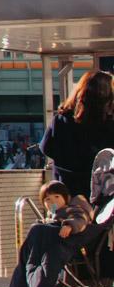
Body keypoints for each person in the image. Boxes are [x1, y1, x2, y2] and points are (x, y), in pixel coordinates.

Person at [10, 193, 92, 287]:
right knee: (30, 256)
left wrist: (69, 226)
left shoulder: (72, 210)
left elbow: (80, 220)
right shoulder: (52, 215)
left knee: (41, 262)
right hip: (45, 246)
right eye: (47, 199)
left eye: (56, 197)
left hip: (58, 246)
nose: (52, 201)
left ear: (65, 198)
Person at [42, 69, 114, 197]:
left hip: (67, 191)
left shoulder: (62, 119)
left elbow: (46, 148)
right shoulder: (109, 123)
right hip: (102, 195)